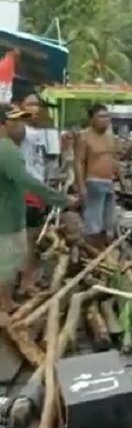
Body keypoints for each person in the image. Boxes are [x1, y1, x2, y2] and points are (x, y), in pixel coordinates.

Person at [0, 106, 72, 313]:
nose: (22, 126)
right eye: (17, 122)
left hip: (8, 213)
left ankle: (6, 302)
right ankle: (3, 306)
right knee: (6, 263)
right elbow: (25, 180)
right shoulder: (7, 149)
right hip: (6, 219)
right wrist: (61, 200)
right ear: (4, 124)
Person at [11, 91, 51, 295]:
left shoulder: (38, 131)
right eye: (30, 104)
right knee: (24, 241)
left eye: (37, 105)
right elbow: (16, 132)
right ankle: (24, 283)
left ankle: (25, 279)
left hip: (37, 190)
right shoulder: (20, 129)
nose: (35, 108)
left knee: (32, 240)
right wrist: (17, 112)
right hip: (24, 191)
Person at [74, 104, 122, 248]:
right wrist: (81, 186)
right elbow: (79, 162)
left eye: (107, 116)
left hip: (108, 182)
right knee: (93, 222)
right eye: (101, 116)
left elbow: (113, 160)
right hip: (93, 182)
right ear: (92, 119)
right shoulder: (84, 137)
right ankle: (92, 251)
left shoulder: (109, 138)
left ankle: (105, 249)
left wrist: (122, 179)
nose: (105, 120)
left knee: (109, 221)